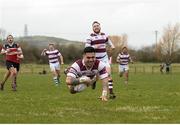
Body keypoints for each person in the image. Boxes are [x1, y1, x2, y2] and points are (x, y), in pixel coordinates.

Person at [85, 21, 116, 99]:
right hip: (96, 60)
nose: (96, 27)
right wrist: (96, 47)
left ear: (100, 27)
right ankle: (94, 80)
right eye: (94, 26)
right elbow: (86, 49)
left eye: (97, 25)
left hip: (104, 58)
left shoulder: (103, 35)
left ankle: (111, 93)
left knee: (108, 74)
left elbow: (108, 40)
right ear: (92, 28)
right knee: (97, 76)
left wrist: (112, 45)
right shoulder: (89, 37)